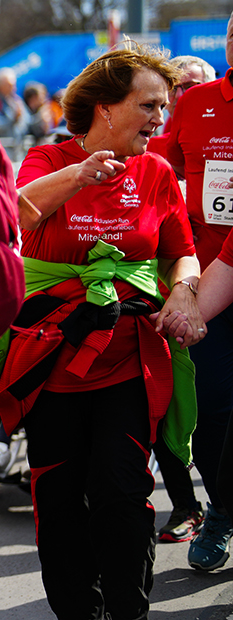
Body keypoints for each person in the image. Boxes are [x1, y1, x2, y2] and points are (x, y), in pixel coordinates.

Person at [0, 46, 199, 617]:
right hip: (51, 359)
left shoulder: (156, 171)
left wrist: (184, 290)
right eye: (150, 104)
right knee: (59, 500)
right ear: (106, 108)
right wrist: (80, 174)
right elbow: (19, 212)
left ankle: (128, 610)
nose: (162, 117)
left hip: (127, 359)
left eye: (166, 105)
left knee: (124, 493)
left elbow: (182, 253)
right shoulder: (47, 157)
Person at [163, 11, 233, 572]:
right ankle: (223, 507)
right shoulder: (197, 102)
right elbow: (159, 174)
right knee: (209, 408)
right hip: (208, 279)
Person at [141, 52, 218, 545]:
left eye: (193, 85)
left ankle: (219, 507)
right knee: (176, 399)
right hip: (180, 282)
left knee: (217, 407)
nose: (184, 95)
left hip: (214, 272)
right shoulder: (165, 137)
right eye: (177, 89)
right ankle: (189, 507)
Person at [0, 68, 28, 149]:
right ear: (0, 86)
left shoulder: (16, 100)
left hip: (20, 148)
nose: (13, 88)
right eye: (9, 85)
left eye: (13, 85)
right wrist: (14, 118)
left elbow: (28, 120)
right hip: (4, 148)